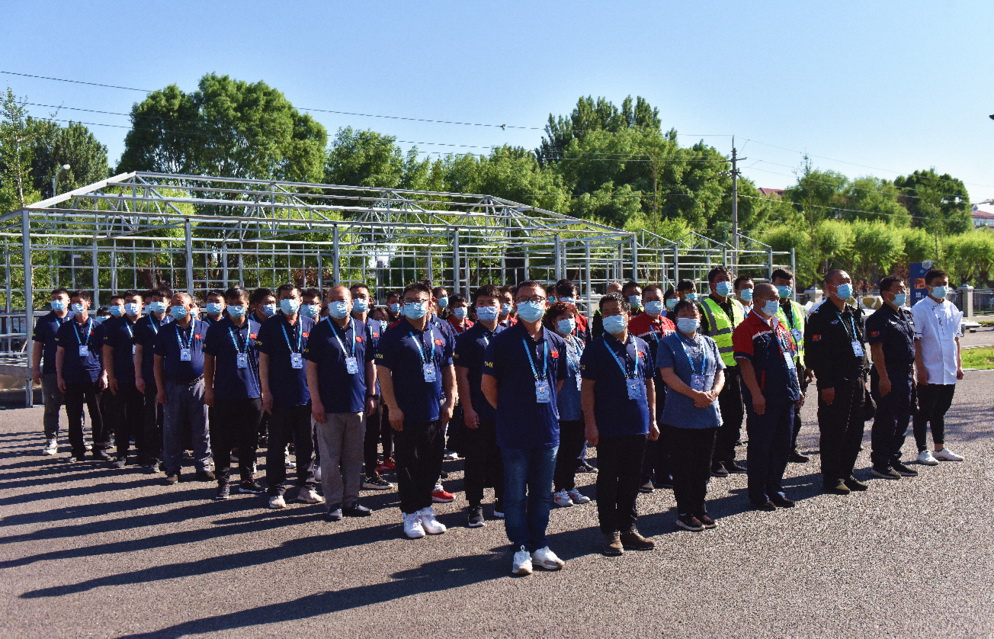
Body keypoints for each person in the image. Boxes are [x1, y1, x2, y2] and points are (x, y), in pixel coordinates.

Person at [482, 280, 568, 575]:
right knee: (516, 493)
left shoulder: (557, 342)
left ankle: (539, 543)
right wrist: (508, 411)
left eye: (537, 298)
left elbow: (558, 382)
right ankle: (519, 546)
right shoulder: (503, 341)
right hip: (514, 430)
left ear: (547, 303)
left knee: (543, 493)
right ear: (515, 304)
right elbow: (488, 386)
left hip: (547, 430)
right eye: (524, 298)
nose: (531, 303)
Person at [376, 282, 456, 539]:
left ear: (430, 302)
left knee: (432, 464)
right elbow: (383, 373)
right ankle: (410, 514)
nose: (413, 304)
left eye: (419, 299)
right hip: (406, 413)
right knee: (409, 464)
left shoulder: (442, 329)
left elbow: (448, 368)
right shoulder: (393, 333)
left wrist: (450, 402)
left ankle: (426, 509)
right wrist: (393, 408)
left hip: (435, 410)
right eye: (408, 300)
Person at [581, 292, 658, 555]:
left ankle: (628, 527)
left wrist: (653, 419)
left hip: (637, 422)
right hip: (608, 424)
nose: (614, 316)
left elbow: (649, 384)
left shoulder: (641, 346)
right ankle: (610, 531)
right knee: (608, 479)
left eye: (618, 311)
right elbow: (587, 389)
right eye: (608, 312)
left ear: (628, 313)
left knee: (631, 477)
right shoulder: (594, 348)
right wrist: (590, 424)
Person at [304, 286, 375, 520]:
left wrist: (371, 394)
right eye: (332, 300)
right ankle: (334, 502)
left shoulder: (363, 329)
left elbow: (369, 363)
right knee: (330, 457)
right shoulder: (319, 331)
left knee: (354, 456)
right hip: (328, 406)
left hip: (357, 404)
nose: (338, 303)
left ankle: (351, 500)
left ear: (352, 303)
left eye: (342, 299)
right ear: (326, 304)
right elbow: (311, 368)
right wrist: (316, 401)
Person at [733, 283, 802, 510]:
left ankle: (776, 488)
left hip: (786, 395)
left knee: (782, 446)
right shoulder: (746, 328)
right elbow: (745, 365)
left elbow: (790, 359)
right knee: (761, 447)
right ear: (759, 300)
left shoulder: (779, 326)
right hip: (764, 398)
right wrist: (755, 394)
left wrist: (797, 388)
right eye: (771, 297)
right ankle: (758, 493)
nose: (776, 300)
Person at [657, 300, 724, 531]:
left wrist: (713, 393)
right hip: (680, 416)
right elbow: (667, 375)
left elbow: (720, 372)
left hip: (708, 413)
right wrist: (694, 394)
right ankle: (685, 512)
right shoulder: (668, 343)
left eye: (692, 313)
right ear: (676, 318)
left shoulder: (709, 342)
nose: (688, 317)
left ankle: (700, 508)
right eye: (683, 313)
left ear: (700, 318)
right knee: (683, 466)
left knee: (702, 467)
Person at [256, 284, 323, 508]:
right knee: (276, 446)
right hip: (279, 396)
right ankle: (276, 490)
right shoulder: (270, 326)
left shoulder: (310, 324)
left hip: (305, 396)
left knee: (306, 445)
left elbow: (315, 362)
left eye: (292, 297)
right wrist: (265, 391)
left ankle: (307, 487)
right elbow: (263, 361)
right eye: (284, 298)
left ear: (300, 300)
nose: (289, 301)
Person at [805, 269, 870, 495]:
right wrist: (826, 383)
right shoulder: (820, 315)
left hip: (857, 380)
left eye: (849, 281)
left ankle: (847, 472)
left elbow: (860, 345)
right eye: (841, 282)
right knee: (834, 430)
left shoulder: (853, 313)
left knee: (855, 430)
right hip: (835, 383)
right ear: (829, 288)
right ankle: (832, 477)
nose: (847, 285)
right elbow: (816, 355)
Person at [202, 287, 264, 500]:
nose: (236, 307)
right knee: (222, 440)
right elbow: (209, 361)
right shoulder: (217, 329)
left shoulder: (258, 328)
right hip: (224, 393)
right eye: (232, 303)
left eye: (240, 303)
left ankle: (247, 479)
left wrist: (265, 389)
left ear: (249, 305)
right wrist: (209, 389)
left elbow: (265, 362)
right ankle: (224, 481)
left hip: (253, 393)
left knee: (249, 440)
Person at [454, 284, 507, 527]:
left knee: (502, 457)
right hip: (478, 408)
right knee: (475, 459)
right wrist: (468, 407)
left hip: (504, 410)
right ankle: (474, 505)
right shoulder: (467, 338)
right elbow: (461, 376)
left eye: (491, 304)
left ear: (501, 307)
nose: (487, 308)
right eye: (482, 303)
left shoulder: (509, 336)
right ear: (475, 308)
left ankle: (501, 500)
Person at [866, 276, 918, 479]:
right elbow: (877, 350)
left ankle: (894, 458)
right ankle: (880, 462)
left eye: (904, 288)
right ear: (886, 293)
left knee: (904, 418)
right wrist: (884, 378)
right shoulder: (878, 318)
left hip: (904, 374)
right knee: (887, 420)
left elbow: (909, 347)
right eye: (899, 289)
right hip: (888, 374)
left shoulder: (904, 315)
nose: (902, 292)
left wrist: (912, 374)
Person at [911, 269, 966, 464]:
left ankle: (940, 448)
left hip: (948, 369)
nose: (943, 287)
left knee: (941, 409)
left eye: (945, 284)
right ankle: (922, 450)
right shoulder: (919, 309)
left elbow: (956, 338)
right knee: (924, 410)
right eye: (938, 284)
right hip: (930, 369)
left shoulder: (951, 307)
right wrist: (921, 368)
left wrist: (959, 365)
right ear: (928, 286)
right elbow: (917, 341)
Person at [629, 284, 677, 492]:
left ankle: (664, 473)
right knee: (649, 428)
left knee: (667, 430)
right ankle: (643, 475)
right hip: (648, 381)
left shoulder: (669, 323)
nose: (653, 303)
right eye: (648, 299)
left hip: (670, 382)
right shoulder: (635, 325)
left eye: (657, 299)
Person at [699, 266, 746, 477]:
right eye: (720, 279)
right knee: (718, 417)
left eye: (728, 279)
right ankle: (713, 460)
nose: (725, 283)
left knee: (736, 415)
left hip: (738, 368)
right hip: (717, 372)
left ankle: (729, 456)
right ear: (711, 284)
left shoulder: (737, 305)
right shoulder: (704, 307)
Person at [55, 291, 110, 462]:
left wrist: (105, 374)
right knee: (74, 414)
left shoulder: (99, 327)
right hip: (72, 376)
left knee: (98, 413)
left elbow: (104, 352)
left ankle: (99, 448)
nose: (76, 305)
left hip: (94, 376)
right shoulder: (65, 328)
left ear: (88, 303)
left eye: (80, 302)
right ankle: (77, 450)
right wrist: (59, 376)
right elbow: (60, 353)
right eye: (74, 302)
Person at [547, 302, 591, 509]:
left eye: (571, 316)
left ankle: (571, 484)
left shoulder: (578, 342)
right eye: (562, 318)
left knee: (575, 447)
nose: (568, 321)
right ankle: (559, 489)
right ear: (554, 321)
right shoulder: (551, 343)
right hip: (561, 404)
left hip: (580, 402)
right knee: (562, 448)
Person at [349, 284, 393, 491]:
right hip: (350, 387)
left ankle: (370, 473)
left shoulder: (379, 327)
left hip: (374, 389)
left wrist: (379, 390)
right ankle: (346, 473)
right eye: (354, 296)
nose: (359, 300)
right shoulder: (343, 325)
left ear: (370, 300)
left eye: (363, 296)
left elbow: (383, 361)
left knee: (373, 432)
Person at [101, 290, 145, 467]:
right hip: (123, 378)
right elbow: (107, 352)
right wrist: (111, 377)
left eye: (134, 301)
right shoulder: (115, 326)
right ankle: (122, 454)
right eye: (127, 301)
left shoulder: (147, 324)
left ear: (143, 304)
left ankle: (144, 453)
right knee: (122, 418)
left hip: (144, 379)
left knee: (143, 418)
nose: (130, 304)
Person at [772, 268, 812, 463]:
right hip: (779, 366)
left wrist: (808, 367)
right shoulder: (769, 307)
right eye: (781, 283)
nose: (786, 287)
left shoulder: (798, 308)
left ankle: (791, 447)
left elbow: (805, 339)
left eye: (789, 284)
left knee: (796, 410)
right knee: (780, 410)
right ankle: (777, 448)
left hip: (798, 365)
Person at [133, 287, 172, 470]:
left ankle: (169, 454)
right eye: (154, 299)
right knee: (152, 418)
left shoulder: (175, 321)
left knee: (171, 419)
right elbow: (138, 352)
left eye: (161, 299)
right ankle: (152, 455)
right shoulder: (143, 324)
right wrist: (138, 376)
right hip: (150, 378)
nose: (157, 303)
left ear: (169, 303)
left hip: (172, 377)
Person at [32, 288, 74, 455]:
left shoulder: (74, 318)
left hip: (73, 371)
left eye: (60, 298)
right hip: (50, 370)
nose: (57, 301)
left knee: (75, 406)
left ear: (68, 300)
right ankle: (51, 439)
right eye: (54, 298)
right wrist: (35, 368)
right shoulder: (45, 321)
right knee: (51, 406)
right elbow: (37, 347)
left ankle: (77, 439)